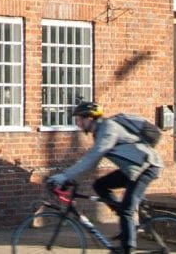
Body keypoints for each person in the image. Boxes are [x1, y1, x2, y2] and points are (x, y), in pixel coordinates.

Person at [47, 100, 162, 254]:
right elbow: (92, 164)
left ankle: (127, 248)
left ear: (90, 118)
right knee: (100, 185)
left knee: (127, 209)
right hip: (133, 169)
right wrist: (71, 180)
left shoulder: (108, 129)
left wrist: (64, 176)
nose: (78, 124)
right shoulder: (99, 132)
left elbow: (92, 157)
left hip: (146, 168)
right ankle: (123, 218)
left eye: (80, 119)